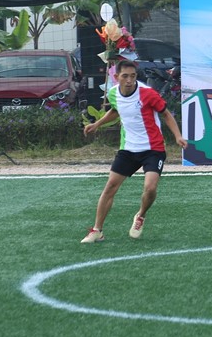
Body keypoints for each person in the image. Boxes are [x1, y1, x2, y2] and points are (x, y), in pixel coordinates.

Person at [80, 59, 187, 243]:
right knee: (110, 186)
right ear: (116, 77)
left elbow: (166, 114)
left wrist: (177, 136)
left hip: (153, 148)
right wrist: (97, 124)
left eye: (133, 76)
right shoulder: (113, 93)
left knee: (150, 188)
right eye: (125, 76)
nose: (129, 80)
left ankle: (140, 215)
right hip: (128, 148)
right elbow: (115, 110)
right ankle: (97, 230)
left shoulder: (147, 94)